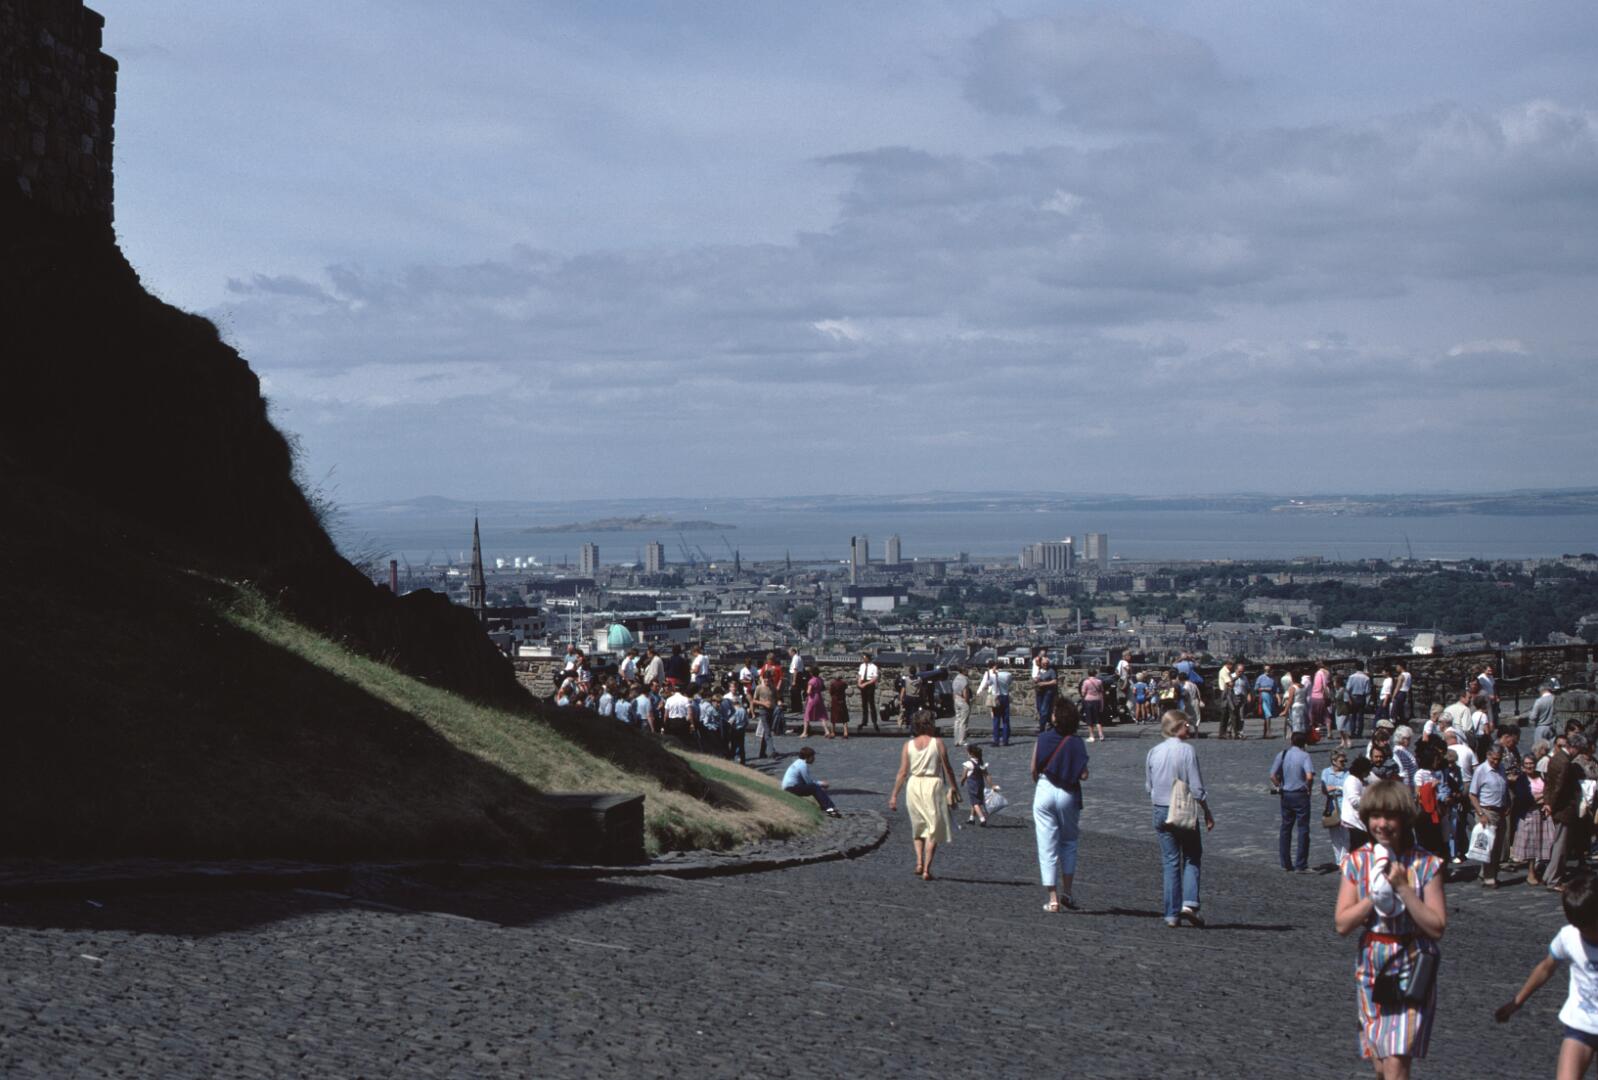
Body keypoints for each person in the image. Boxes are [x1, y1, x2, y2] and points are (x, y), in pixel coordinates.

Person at [1334, 779, 1447, 1079]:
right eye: (1375, 816)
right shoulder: (1357, 862)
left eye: (1390, 816)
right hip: (1372, 962)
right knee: (1381, 1064)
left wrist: (1403, 889)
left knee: (1397, 1059)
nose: (1381, 824)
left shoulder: (1426, 864)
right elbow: (1342, 924)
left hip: (1412, 961)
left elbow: (1436, 927)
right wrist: (1375, 895)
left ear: (1404, 819)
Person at [1494, 872, 1598, 1079]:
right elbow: (1546, 968)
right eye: (1581, 928)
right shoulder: (1569, 937)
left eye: (1591, 928)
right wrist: (1517, 1002)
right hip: (1580, 1023)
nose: (1585, 933)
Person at [1146, 709, 1214, 928]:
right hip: (1182, 809)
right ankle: (1189, 904)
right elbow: (1197, 788)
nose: (1189, 727)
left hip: (1160, 809)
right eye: (1187, 724)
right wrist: (1207, 811)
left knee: (1170, 862)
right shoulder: (1187, 750)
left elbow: (1149, 786)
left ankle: (1171, 914)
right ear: (1177, 726)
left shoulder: (1154, 751)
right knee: (1192, 855)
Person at [888, 710, 960, 880]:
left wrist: (894, 795)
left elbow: (902, 773)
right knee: (933, 828)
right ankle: (927, 869)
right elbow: (948, 768)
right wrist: (954, 788)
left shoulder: (908, 745)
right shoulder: (938, 743)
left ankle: (919, 862)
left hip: (914, 785)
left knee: (918, 826)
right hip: (933, 785)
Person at [1033, 699, 1089, 913]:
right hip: (1068, 793)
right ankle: (1068, 892)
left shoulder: (1043, 738)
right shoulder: (1076, 742)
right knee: (1069, 843)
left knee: (1046, 846)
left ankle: (1053, 898)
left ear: (1056, 717)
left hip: (1045, 788)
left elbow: (1033, 768)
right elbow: (1084, 774)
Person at [1544, 733, 1589, 891]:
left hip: (1556, 807)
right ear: (1574, 747)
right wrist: (1551, 805)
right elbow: (1559, 787)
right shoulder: (1565, 762)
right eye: (1579, 750)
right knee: (1560, 846)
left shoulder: (1556, 757)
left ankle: (1549, 875)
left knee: (1558, 843)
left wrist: (1548, 803)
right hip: (1563, 810)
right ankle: (1553, 880)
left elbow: (1549, 784)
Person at [1272, 731, 1317, 872]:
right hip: (1300, 794)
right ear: (1304, 743)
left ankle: (1285, 863)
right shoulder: (1305, 756)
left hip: (1286, 794)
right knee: (1303, 829)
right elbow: (1309, 776)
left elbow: (1272, 775)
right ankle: (1301, 864)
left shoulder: (1283, 754)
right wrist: (1309, 788)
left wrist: (1279, 786)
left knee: (1286, 828)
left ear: (1291, 741)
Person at [1471, 744, 1513, 888]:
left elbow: (1504, 788)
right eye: (1493, 759)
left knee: (1498, 846)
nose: (1496, 762)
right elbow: (1472, 794)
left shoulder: (1501, 768)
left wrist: (1508, 803)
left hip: (1500, 811)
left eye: (1498, 759)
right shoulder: (1481, 770)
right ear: (1488, 755)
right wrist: (1480, 813)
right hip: (1487, 810)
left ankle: (1490, 874)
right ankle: (1489, 878)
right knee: (1489, 846)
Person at [1513, 751, 1554, 886]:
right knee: (1531, 844)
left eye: (1531, 763)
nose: (1529, 766)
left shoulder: (1542, 776)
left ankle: (1543, 869)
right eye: (1526, 764)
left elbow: (1550, 791)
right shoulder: (1521, 780)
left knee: (1546, 841)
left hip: (1543, 814)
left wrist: (1544, 799)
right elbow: (1524, 798)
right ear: (1523, 766)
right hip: (1529, 814)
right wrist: (1541, 797)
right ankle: (1531, 872)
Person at [782, 746, 840, 817]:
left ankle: (827, 807)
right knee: (814, 787)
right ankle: (830, 809)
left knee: (815, 787)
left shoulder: (798, 762)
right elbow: (809, 782)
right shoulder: (802, 765)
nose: (814, 759)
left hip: (790, 787)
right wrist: (822, 783)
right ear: (808, 757)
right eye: (813, 757)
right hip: (791, 789)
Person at [1342, 756, 1377, 851]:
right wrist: (1371, 802)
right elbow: (1354, 801)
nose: (1369, 773)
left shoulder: (1361, 780)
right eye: (1367, 771)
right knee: (1357, 847)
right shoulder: (1352, 781)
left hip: (1360, 819)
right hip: (1353, 821)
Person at [1324, 750, 1351, 868]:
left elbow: (1348, 788)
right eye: (1341, 761)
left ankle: (1344, 860)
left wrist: (1334, 787)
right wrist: (1339, 787)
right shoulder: (1326, 772)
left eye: (1345, 761)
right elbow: (1324, 789)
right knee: (1334, 834)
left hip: (1345, 804)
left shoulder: (1348, 773)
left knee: (1346, 834)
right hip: (1332, 805)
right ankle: (1338, 860)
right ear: (1334, 761)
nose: (1344, 763)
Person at [962, 744, 993, 826]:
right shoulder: (981, 763)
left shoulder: (968, 764)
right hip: (980, 784)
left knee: (975, 803)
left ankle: (982, 819)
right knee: (975, 800)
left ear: (971, 754)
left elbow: (964, 775)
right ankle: (971, 818)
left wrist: (962, 781)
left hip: (972, 785)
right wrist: (992, 785)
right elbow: (986, 774)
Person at [752, 675, 779, 759]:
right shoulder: (759, 688)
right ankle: (772, 751)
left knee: (766, 732)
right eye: (765, 680)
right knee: (767, 731)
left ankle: (762, 753)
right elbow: (754, 700)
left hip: (772, 711)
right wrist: (763, 703)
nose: (767, 682)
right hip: (763, 710)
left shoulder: (773, 688)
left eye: (768, 680)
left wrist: (778, 703)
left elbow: (776, 698)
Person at [1033, 653, 1058, 737]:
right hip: (1040, 692)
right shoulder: (1039, 670)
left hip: (1048, 692)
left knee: (1044, 710)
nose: (1045, 665)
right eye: (1043, 663)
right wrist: (1036, 680)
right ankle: (1049, 723)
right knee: (1039, 708)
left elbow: (1054, 681)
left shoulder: (1051, 671)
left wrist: (1044, 683)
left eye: (1046, 663)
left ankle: (1042, 728)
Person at [1346, 661, 1373, 741]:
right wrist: (1367, 702)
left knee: (1353, 716)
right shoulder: (1366, 678)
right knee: (1360, 716)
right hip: (1361, 697)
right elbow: (1368, 691)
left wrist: (1349, 699)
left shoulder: (1351, 677)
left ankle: (1352, 732)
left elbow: (1347, 689)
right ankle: (1359, 733)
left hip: (1353, 697)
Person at [1080, 668, 1106, 743]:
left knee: (1089, 719)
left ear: (1088, 674)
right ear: (1095, 674)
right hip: (1097, 700)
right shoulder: (1099, 681)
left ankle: (1092, 736)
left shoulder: (1086, 682)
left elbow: (1083, 692)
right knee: (1098, 719)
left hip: (1088, 701)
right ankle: (1101, 735)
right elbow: (1101, 691)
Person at [857, 652, 881, 732]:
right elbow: (860, 675)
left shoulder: (874, 667)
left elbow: (874, 678)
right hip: (863, 683)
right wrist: (859, 683)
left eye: (865, 657)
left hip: (870, 684)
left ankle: (874, 721)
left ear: (868, 658)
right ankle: (864, 721)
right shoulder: (862, 666)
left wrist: (865, 684)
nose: (863, 659)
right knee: (864, 704)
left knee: (871, 703)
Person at [991, 663, 1013, 746]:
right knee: (1005, 720)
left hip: (997, 696)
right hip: (1005, 696)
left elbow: (989, 683)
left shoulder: (994, 675)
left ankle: (996, 740)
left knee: (996, 719)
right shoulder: (1008, 675)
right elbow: (1009, 683)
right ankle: (1005, 740)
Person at [802, 670, 828, 739]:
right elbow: (823, 688)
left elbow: (808, 691)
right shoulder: (820, 680)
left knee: (807, 715)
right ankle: (827, 731)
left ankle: (805, 732)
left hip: (812, 698)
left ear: (811, 673)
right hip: (819, 697)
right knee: (822, 715)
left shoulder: (811, 681)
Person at [950, 664, 971, 746]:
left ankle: (956, 739)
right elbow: (965, 692)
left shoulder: (955, 678)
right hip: (962, 699)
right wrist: (967, 702)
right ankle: (962, 740)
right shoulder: (964, 679)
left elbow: (953, 691)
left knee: (957, 720)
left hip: (956, 698)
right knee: (963, 721)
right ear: (964, 671)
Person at [1256, 666, 1279, 740]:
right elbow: (1256, 688)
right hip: (1263, 696)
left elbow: (1276, 689)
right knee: (1267, 714)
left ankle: (1265, 732)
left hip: (1270, 697)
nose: (1267, 672)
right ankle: (1269, 732)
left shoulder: (1273, 679)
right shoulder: (1260, 678)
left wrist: (1278, 698)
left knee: (1267, 715)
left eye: (1269, 670)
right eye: (1266, 670)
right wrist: (1264, 689)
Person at [827, 672, 850, 740]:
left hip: (835, 701)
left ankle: (832, 733)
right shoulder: (844, 683)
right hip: (842, 701)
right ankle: (845, 732)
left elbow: (831, 692)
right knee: (844, 718)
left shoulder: (833, 684)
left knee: (833, 718)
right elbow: (847, 689)